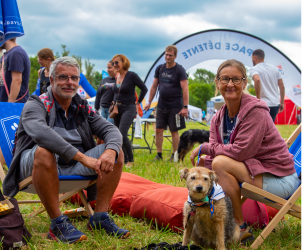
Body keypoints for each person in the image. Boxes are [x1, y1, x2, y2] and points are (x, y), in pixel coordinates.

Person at [2, 57, 130, 243]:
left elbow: (110, 129)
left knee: (116, 152)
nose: (69, 82)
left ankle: (99, 218)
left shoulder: (81, 106)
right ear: (52, 80)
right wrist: (82, 158)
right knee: (45, 150)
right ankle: (57, 224)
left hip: (71, 167)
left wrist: (111, 150)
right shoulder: (36, 103)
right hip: (34, 167)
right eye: (63, 77)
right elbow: (42, 134)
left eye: (74, 78)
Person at [190, 59, 299, 244]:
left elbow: (240, 152)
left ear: (245, 82)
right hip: (256, 172)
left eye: (236, 79)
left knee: (219, 163)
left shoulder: (256, 111)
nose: (230, 84)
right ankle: (208, 219)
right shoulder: (218, 118)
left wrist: (204, 147)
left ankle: (238, 226)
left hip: (281, 179)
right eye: (225, 79)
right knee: (206, 164)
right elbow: (215, 155)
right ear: (217, 83)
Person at [144, 45, 189, 162]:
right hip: (162, 106)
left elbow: (185, 89)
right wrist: (149, 102)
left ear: (175, 56)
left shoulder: (180, 70)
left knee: (174, 130)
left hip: (176, 106)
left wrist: (185, 107)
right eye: (166, 55)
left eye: (170, 55)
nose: (168, 57)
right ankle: (159, 155)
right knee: (158, 130)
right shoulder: (159, 68)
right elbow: (154, 86)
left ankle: (175, 156)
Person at [111, 54, 148, 168]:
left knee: (122, 133)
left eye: (117, 62)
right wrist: (114, 102)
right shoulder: (117, 76)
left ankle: (131, 160)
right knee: (117, 134)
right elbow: (116, 92)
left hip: (129, 107)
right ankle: (124, 159)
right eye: (113, 63)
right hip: (118, 108)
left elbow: (144, 89)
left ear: (124, 62)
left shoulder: (132, 75)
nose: (114, 65)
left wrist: (138, 102)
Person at [250, 49, 285, 122]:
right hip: (275, 103)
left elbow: (257, 80)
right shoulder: (275, 68)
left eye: (252, 58)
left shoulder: (254, 69)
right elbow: (281, 85)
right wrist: (282, 102)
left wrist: (258, 100)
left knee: (261, 128)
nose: (252, 60)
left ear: (255, 58)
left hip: (263, 104)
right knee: (270, 128)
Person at [0, 38, 30, 103]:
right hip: (4, 103)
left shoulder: (16, 53)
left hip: (15, 105)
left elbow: (17, 80)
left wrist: (10, 103)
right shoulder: (5, 55)